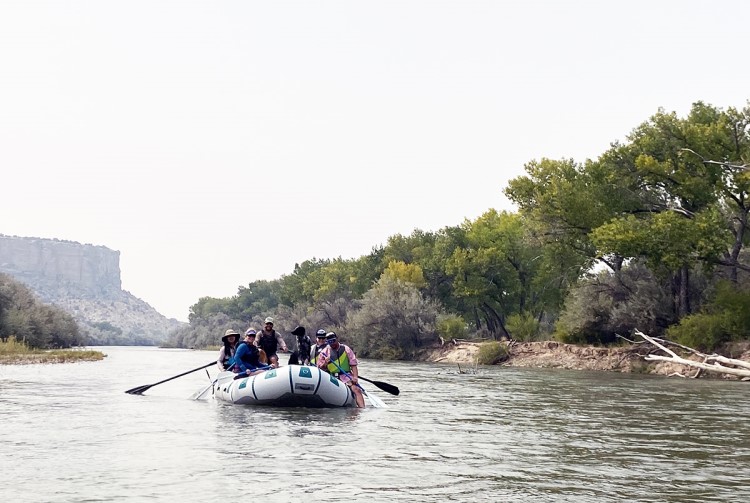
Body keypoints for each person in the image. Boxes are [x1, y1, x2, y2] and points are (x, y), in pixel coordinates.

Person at [317, 331, 365, 408]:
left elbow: (353, 365)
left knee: (356, 389)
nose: (332, 343)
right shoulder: (324, 352)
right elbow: (319, 368)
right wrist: (325, 363)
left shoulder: (346, 349)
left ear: (337, 339)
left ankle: (362, 409)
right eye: (329, 342)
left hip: (346, 376)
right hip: (331, 377)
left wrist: (355, 377)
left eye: (333, 341)